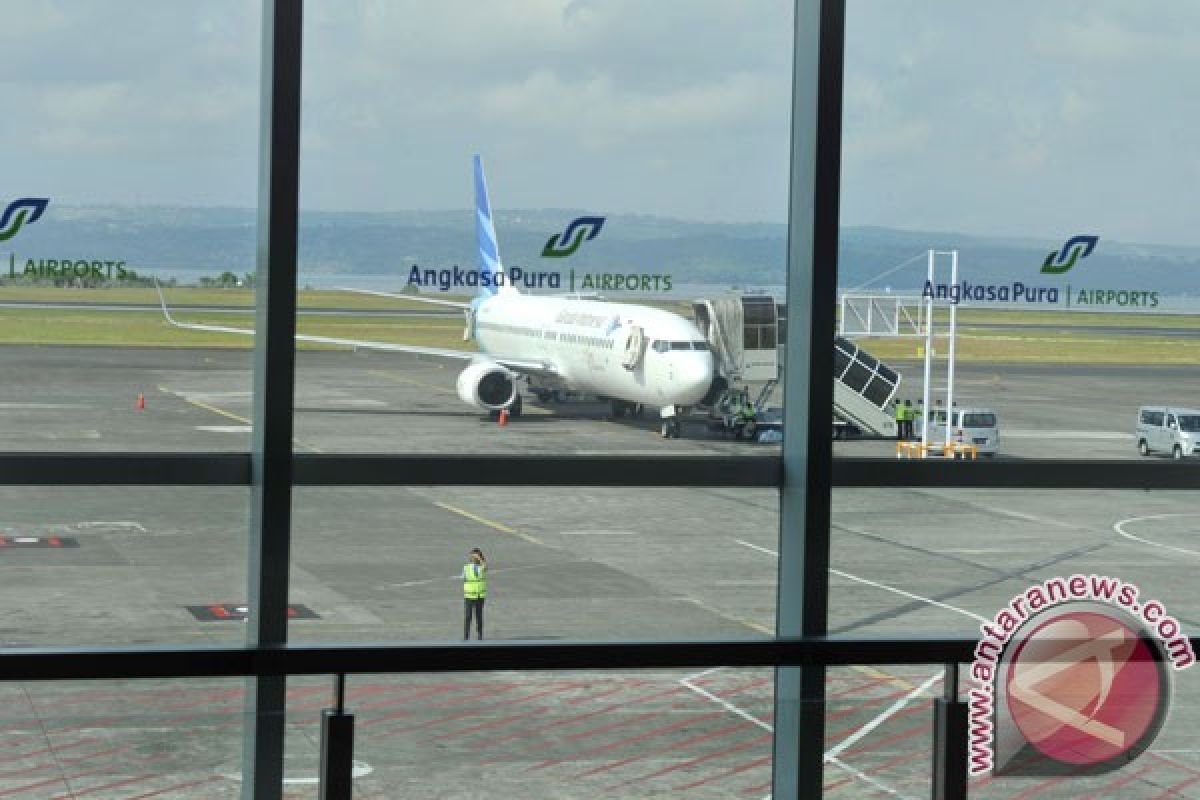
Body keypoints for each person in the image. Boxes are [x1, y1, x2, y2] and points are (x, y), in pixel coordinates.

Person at [462, 547, 487, 640]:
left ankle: (480, 636)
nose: (473, 558)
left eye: (475, 556)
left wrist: (480, 558)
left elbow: (485, 566)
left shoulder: (482, 567)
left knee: (479, 617)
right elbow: (464, 577)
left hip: (479, 596)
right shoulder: (466, 567)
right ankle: (466, 636)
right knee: (468, 617)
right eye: (472, 556)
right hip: (469, 596)